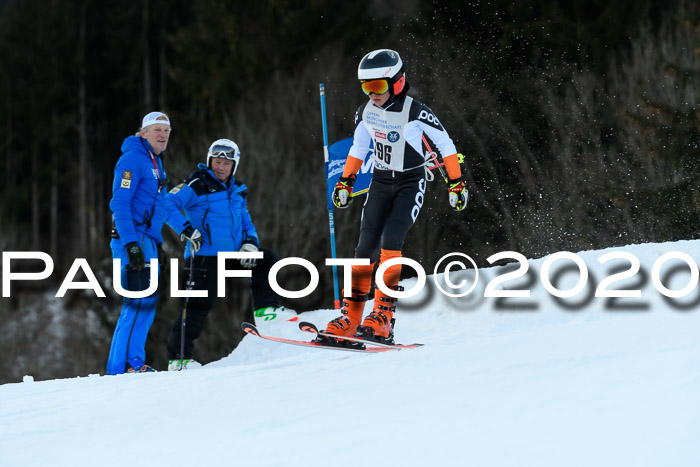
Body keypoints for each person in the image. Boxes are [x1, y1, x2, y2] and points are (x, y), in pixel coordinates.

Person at [322, 49, 468, 344]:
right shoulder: (365, 112)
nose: (372, 94)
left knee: (391, 240)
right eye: (366, 87)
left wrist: (456, 184)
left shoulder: (416, 111)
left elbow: (446, 145)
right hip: (379, 183)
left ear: (397, 82)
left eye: (377, 86)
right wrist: (345, 182)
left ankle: (383, 318)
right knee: (364, 247)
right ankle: (351, 317)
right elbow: (359, 149)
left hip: (409, 183)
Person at [164, 138, 295, 371]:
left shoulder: (237, 189)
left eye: (226, 163)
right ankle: (179, 359)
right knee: (198, 305)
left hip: (233, 255)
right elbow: (166, 205)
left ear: (234, 165)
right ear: (209, 161)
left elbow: (246, 221)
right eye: (217, 161)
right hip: (204, 256)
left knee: (266, 258)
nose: (221, 167)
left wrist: (250, 244)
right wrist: (186, 230)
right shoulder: (197, 183)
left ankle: (266, 312)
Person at [107, 111, 172, 374]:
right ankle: (120, 367)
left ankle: (134, 362)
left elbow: (156, 207)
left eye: (167, 130)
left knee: (147, 304)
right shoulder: (132, 159)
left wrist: (158, 243)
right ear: (143, 133)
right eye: (157, 129)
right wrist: (131, 244)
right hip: (130, 239)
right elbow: (120, 204)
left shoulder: (155, 161)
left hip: (147, 241)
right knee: (135, 304)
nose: (163, 135)